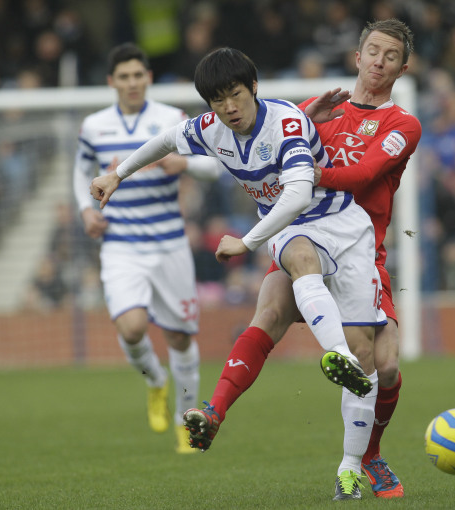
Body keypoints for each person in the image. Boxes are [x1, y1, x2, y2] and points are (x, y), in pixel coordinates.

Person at [90, 47, 385, 501]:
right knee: (291, 271)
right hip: (292, 230)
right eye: (218, 100)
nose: (229, 108)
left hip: (345, 227)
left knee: (368, 356)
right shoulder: (213, 128)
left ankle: (349, 466)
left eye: (236, 95)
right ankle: (327, 359)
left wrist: (246, 241)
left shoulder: (287, 123)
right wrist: (118, 174)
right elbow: (168, 140)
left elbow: (299, 192)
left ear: (254, 89)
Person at [183, 19, 421, 500]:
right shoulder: (316, 116)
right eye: (372, 51)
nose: (378, 61)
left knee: (385, 365)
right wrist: (309, 116)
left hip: (360, 248)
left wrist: (309, 174)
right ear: (356, 57)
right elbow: (275, 142)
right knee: (268, 313)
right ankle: (213, 411)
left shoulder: (402, 124)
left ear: (403, 67)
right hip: (303, 239)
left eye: (390, 55)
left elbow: (366, 173)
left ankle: (368, 456)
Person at [72, 43, 221, 454]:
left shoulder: (171, 120)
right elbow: (81, 172)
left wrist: (185, 163)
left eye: (139, 75)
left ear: (148, 78)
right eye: (124, 76)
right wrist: (86, 210)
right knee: (132, 327)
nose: (132, 82)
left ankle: (185, 419)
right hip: (120, 244)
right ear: (111, 82)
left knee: (178, 336)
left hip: (169, 244)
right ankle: (156, 381)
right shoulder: (94, 127)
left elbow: (215, 162)